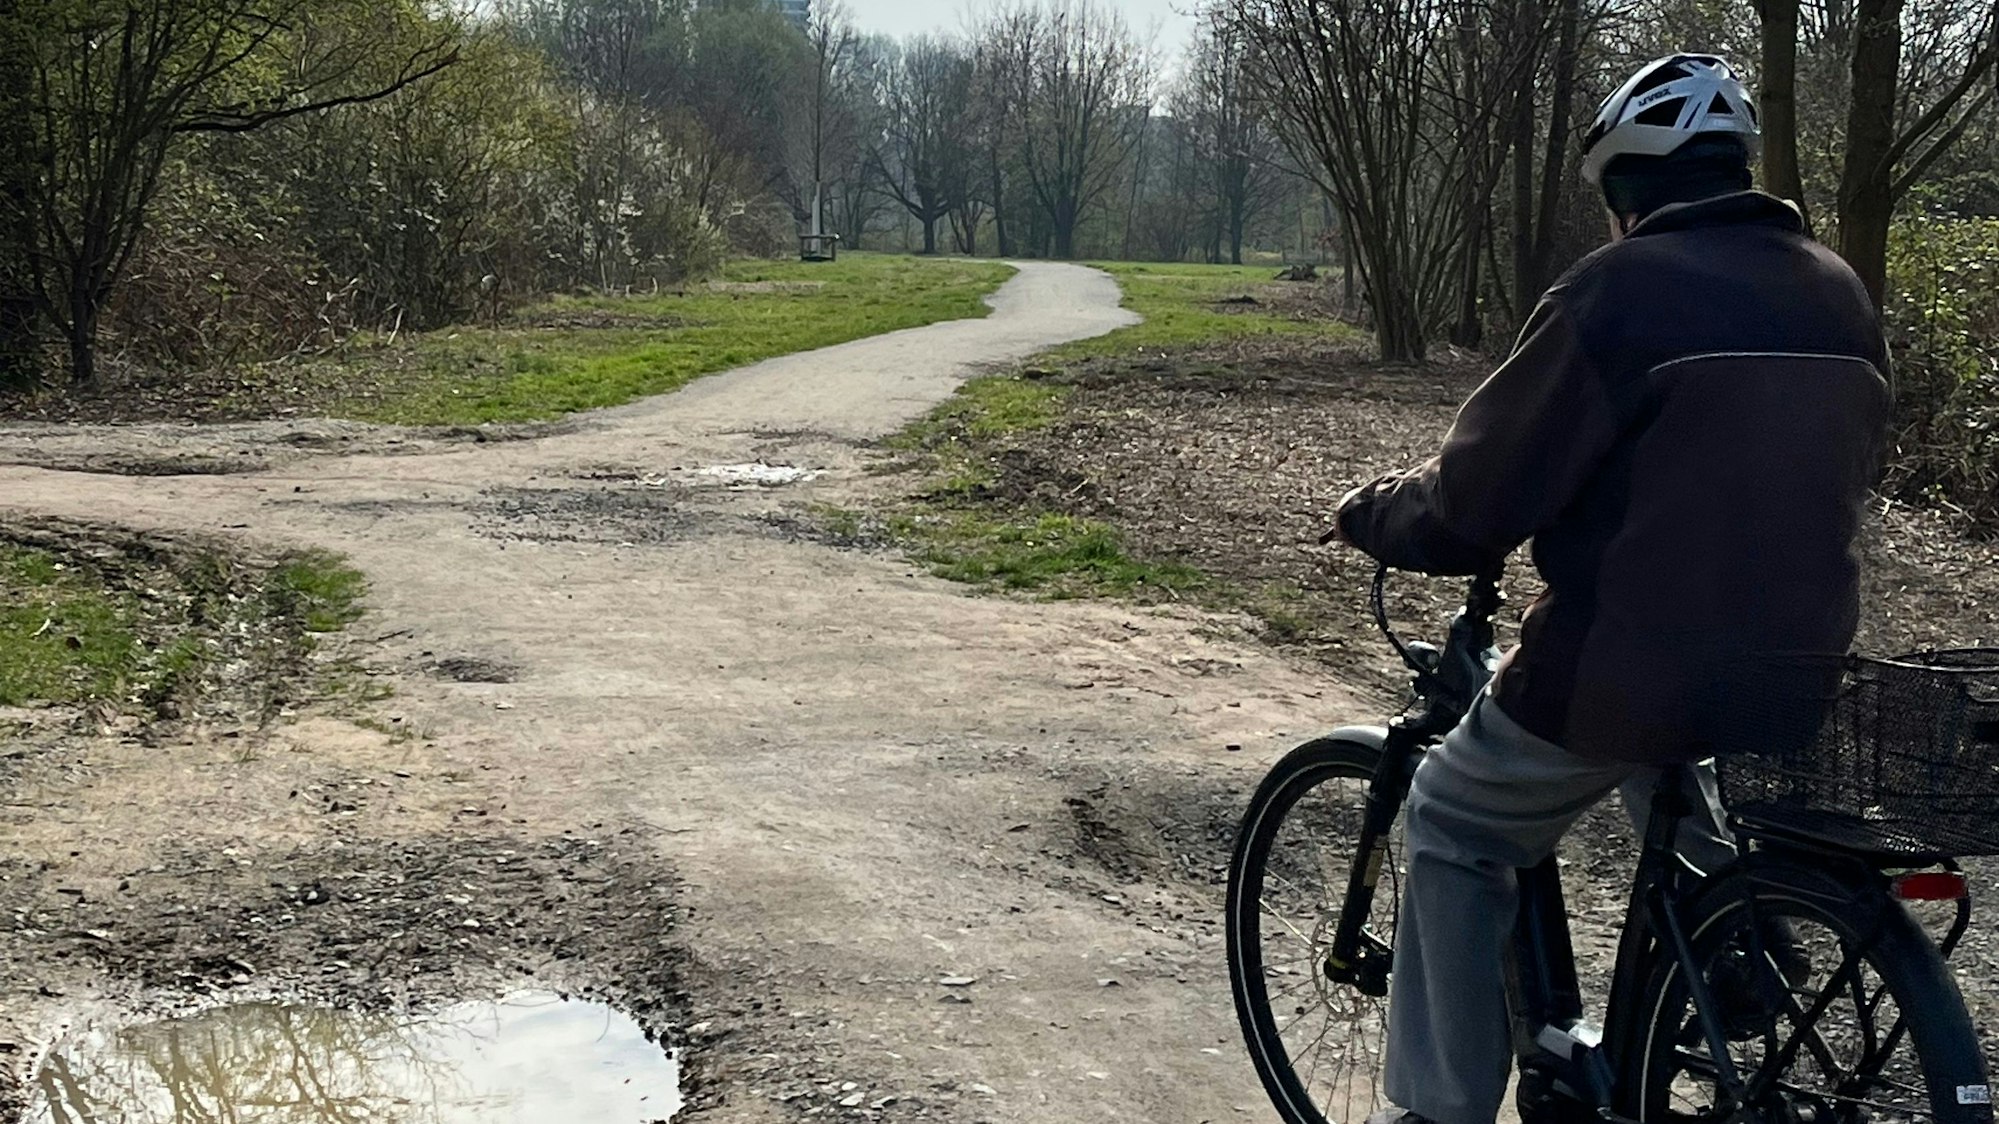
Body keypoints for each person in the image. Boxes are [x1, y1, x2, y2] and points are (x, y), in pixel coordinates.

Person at [1331, 54, 1891, 1124]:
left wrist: (1371, 512)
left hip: (1636, 663)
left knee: (1455, 813)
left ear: (1624, 188)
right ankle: (1736, 936)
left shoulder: (1615, 290)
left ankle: (1438, 1106)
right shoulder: (1835, 287)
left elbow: (1474, 500)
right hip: (1803, 661)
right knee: (1664, 754)